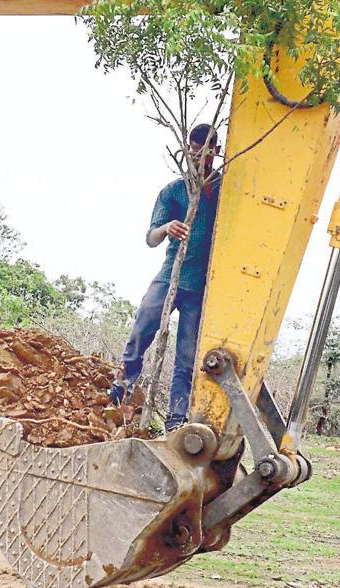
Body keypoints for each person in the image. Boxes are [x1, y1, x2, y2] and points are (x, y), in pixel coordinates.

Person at [111, 123, 222, 431]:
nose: (198, 155)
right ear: (186, 150)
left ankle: (175, 420)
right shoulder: (173, 191)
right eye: (193, 149)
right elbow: (150, 237)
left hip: (201, 287)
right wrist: (167, 227)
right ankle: (120, 391)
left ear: (215, 153)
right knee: (143, 326)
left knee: (187, 358)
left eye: (204, 150)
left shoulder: (226, 192)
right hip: (171, 272)